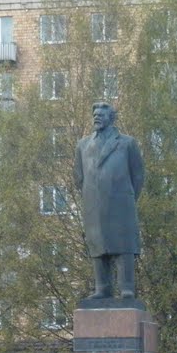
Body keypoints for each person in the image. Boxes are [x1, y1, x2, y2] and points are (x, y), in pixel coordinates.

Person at [73, 102, 145, 300]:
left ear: (111, 118)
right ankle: (102, 288)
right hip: (93, 203)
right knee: (98, 245)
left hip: (121, 202)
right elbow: (79, 176)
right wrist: (93, 195)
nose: (96, 117)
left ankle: (126, 288)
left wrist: (127, 196)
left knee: (124, 245)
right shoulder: (83, 145)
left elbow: (138, 176)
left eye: (101, 115)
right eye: (94, 114)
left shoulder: (127, 143)